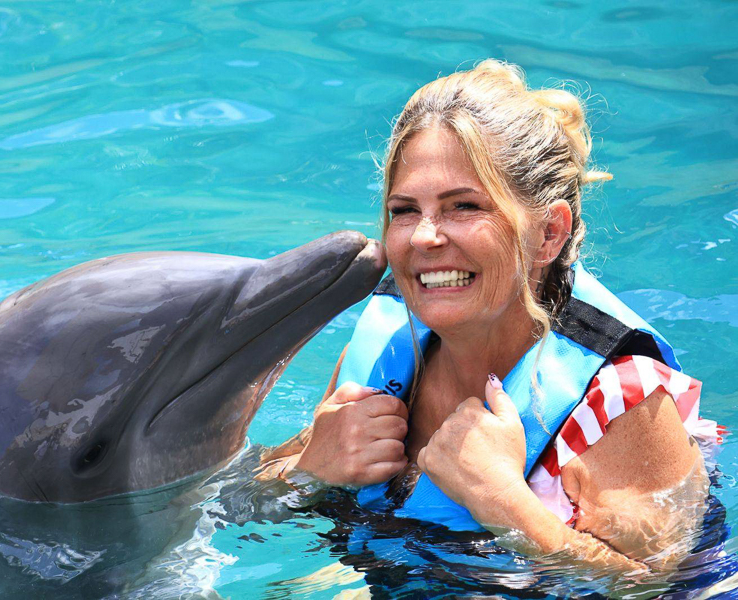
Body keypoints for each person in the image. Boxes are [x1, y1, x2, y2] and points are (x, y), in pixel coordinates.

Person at [260, 60, 719, 571]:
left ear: (548, 234)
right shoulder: (383, 358)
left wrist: (506, 504)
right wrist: (307, 472)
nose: (423, 237)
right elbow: (233, 501)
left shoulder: (621, 407)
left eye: (464, 207)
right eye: (405, 210)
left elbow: (654, 584)